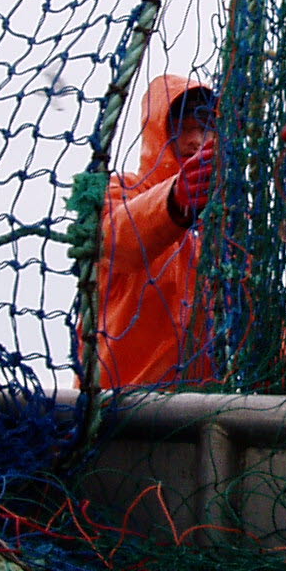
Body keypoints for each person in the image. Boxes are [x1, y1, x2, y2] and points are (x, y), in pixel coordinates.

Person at [93, 74, 217, 388]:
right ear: (156, 132)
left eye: (206, 128)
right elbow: (117, 240)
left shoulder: (225, 227)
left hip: (203, 416)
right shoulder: (118, 192)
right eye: (183, 128)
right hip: (118, 411)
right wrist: (175, 199)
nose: (195, 140)